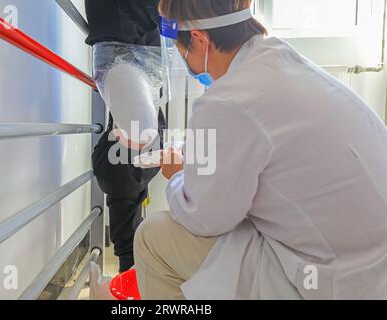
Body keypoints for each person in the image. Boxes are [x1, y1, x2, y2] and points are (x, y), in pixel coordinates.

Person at [134, 0, 387, 300]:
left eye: (178, 47)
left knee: (154, 236)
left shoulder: (226, 100)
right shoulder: (278, 58)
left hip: (333, 280)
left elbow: (204, 219)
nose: (181, 56)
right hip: (370, 263)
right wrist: (194, 152)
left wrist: (178, 176)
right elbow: (256, 139)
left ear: (200, 39)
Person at [85, 0, 166, 273]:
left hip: (154, 52)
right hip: (120, 50)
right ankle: (130, 264)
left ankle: (132, 263)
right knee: (133, 152)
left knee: (143, 153)